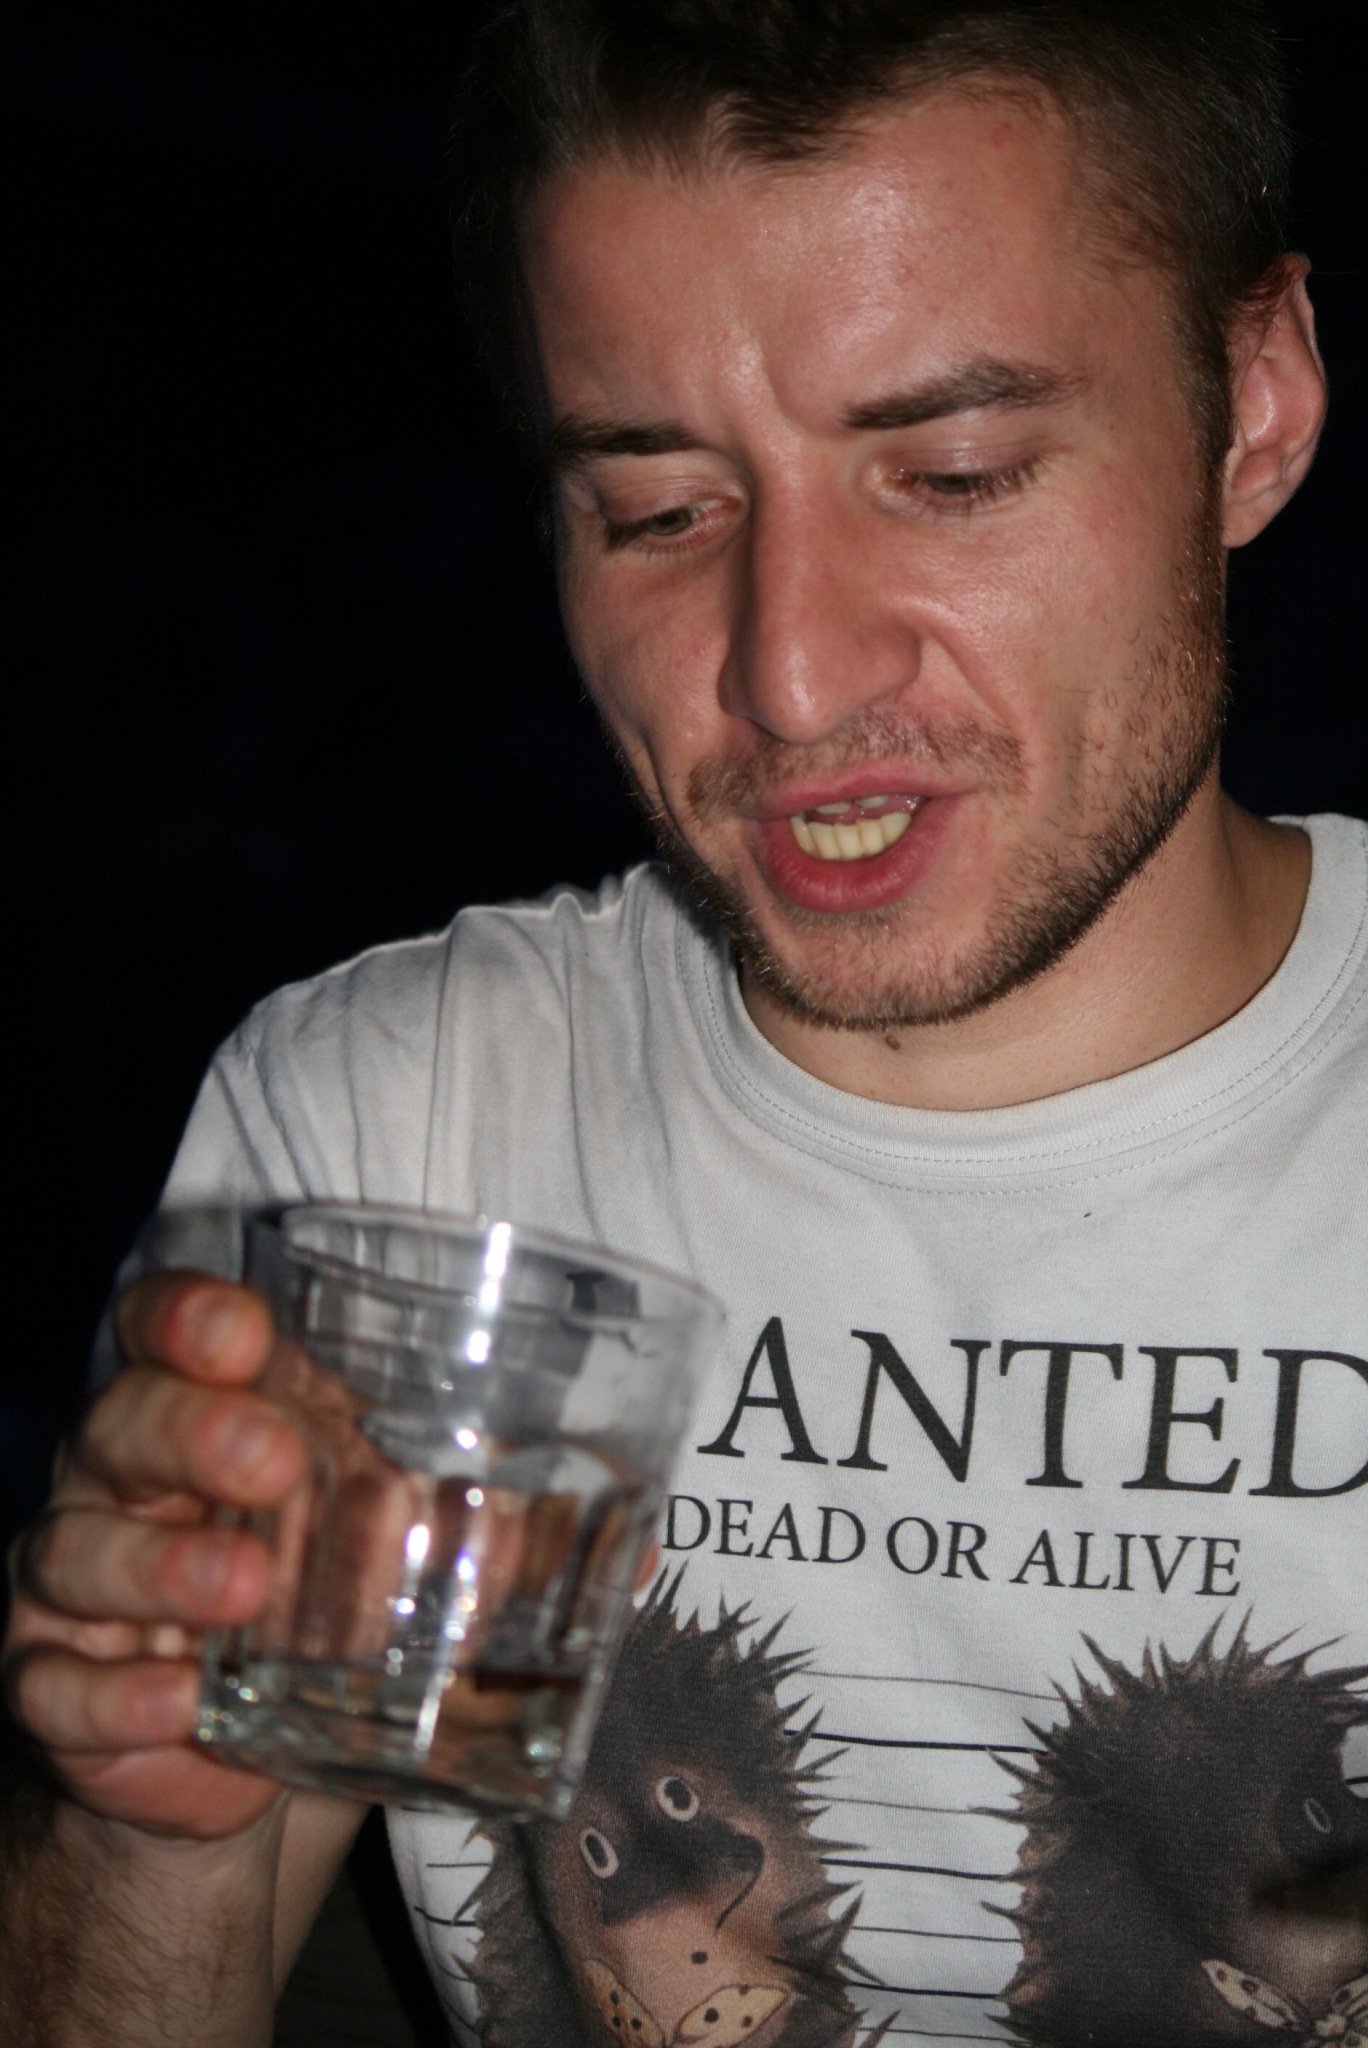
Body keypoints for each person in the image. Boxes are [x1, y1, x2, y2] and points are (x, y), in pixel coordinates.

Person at [4, 2, 1364, 2043]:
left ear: (1254, 405)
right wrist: (151, 1832)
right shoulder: (397, 1128)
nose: (790, 676)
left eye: (955, 473)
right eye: (657, 512)